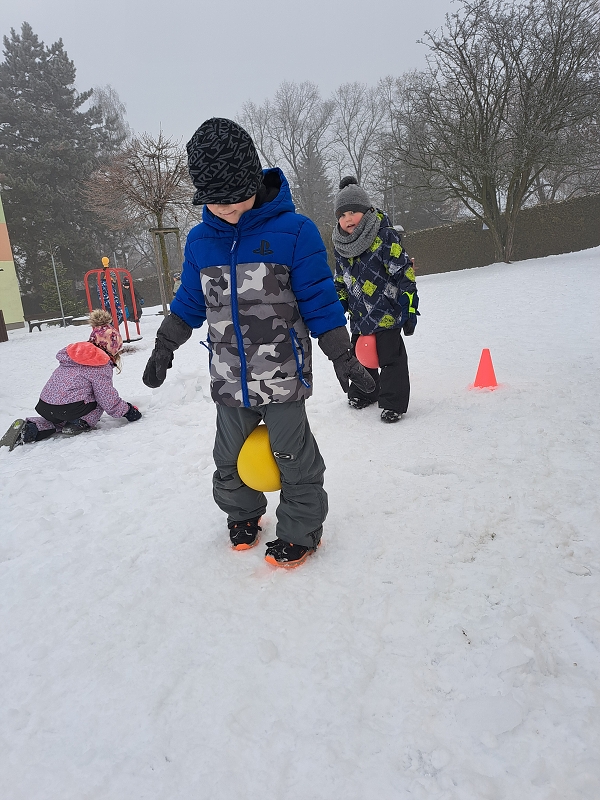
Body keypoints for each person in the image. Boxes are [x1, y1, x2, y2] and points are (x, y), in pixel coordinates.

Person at [143, 117, 374, 568]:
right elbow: (189, 300)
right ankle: (243, 513)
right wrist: (164, 345)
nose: (227, 211)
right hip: (230, 379)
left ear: (254, 180)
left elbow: (320, 302)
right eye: (215, 203)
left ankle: (301, 530)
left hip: (283, 375)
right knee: (226, 460)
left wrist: (342, 357)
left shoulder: (295, 232)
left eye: (235, 200)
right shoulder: (199, 241)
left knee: (293, 457)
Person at [332, 177, 419, 423]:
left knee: (391, 359)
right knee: (360, 356)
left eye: (353, 212)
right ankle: (365, 391)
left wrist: (409, 302)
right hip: (359, 316)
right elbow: (340, 280)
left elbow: (403, 271)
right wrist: (339, 304)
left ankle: (393, 403)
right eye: (342, 215)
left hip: (386, 312)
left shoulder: (384, 236)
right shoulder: (341, 246)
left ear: (367, 211)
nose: (348, 219)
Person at [0, 310, 142, 451]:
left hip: (46, 405)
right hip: (69, 408)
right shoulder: (99, 363)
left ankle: (31, 429)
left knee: (57, 420)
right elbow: (106, 398)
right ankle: (79, 422)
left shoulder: (76, 354)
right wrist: (127, 411)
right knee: (99, 399)